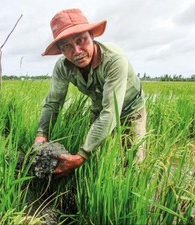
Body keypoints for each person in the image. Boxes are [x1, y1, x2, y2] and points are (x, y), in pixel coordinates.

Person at [34, 8, 146, 177]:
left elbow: (111, 111)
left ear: (92, 37)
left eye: (81, 40)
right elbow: (53, 103)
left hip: (131, 109)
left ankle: (131, 197)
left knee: (133, 164)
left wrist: (81, 155)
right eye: (67, 46)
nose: (77, 51)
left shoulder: (114, 60)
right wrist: (41, 135)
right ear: (62, 51)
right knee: (96, 161)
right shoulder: (63, 67)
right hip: (100, 107)